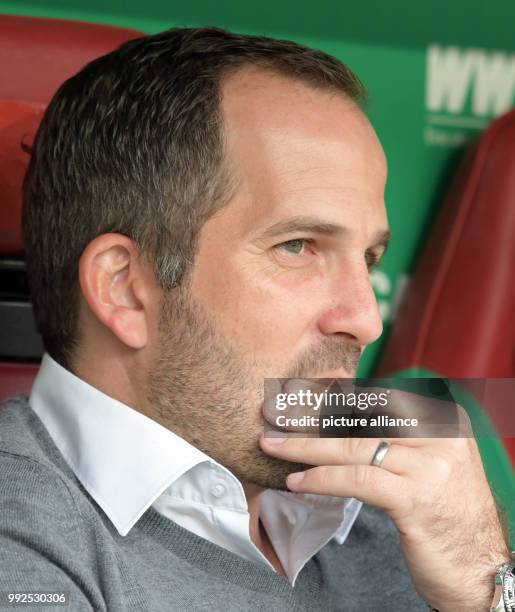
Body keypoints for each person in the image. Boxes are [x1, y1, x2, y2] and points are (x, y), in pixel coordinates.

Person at [0, 27, 510, 612]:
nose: (366, 319)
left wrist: (484, 587)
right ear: (126, 290)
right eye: (298, 246)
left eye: (369, 259)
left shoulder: (413, 513)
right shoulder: (20, 538)